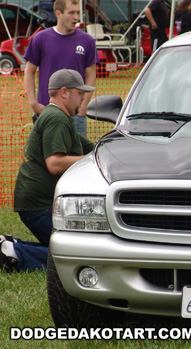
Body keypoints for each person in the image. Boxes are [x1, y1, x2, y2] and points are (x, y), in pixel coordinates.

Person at [0, 69, 95, 272]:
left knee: (63, 248)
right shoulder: (56, 119)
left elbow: (91, 148)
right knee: (76, 254)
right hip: (38, 205)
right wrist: (89, 160)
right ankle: (14, 255)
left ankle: (10, 246)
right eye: (80, 93)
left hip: (35, 202)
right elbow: (54, 163)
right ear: (64, 92)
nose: (83, 98)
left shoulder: (59, 117)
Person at [24, 0, 97, 137]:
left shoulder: (87, 41)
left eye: (77, 13)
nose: (76, 17)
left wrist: (83, 106)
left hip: (76, 115)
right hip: (48, 112)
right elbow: (29, 71)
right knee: (49, 157)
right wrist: (34, 103)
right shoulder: (40, 39)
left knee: (77, 157)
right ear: (58, 13)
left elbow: (91, 75)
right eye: (71, 13)